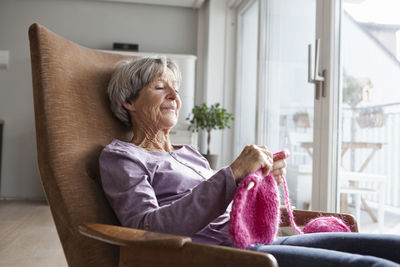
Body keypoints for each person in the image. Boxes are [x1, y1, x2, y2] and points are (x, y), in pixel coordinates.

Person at [99, 56, 400, 267]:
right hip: (225, 256)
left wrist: (254, 179)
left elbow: (226, 202)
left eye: (175, 88)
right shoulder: (122, 156)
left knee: (392, 247)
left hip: (253, 241)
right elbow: (147, 226)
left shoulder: (188, 152)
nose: (175, 96)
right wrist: (232, 173)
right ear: (129, 101)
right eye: (160, 87)